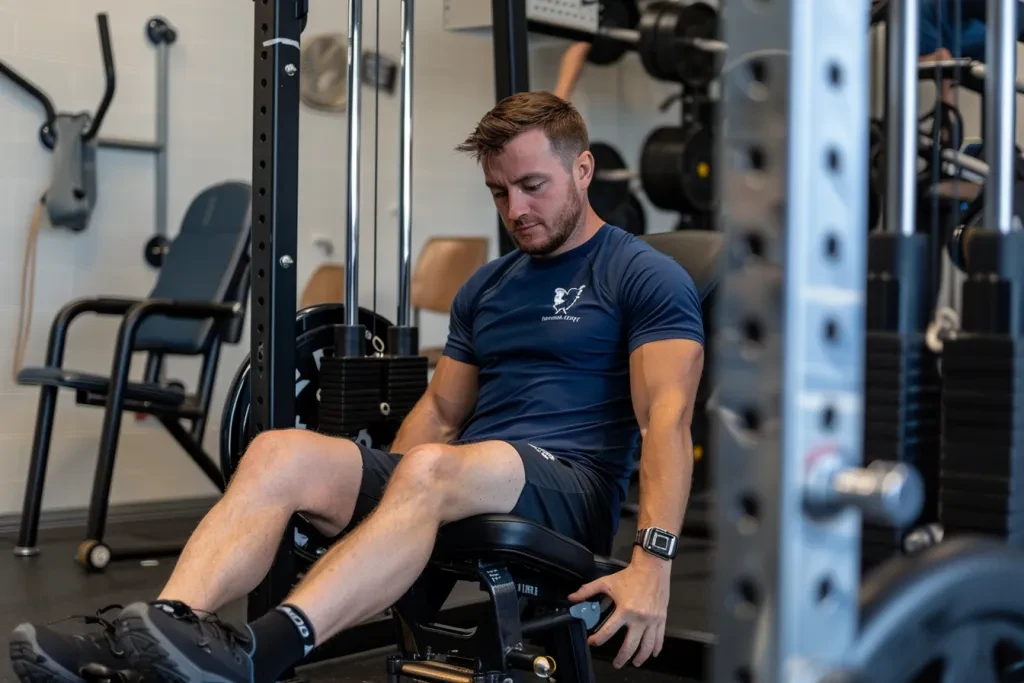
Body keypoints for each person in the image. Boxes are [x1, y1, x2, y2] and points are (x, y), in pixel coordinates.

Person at [9, 91, 705, 683]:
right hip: (464, 474)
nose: (515, 207)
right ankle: (162, 642)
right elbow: (438, 411)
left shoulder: (640, 274)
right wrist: (382, 494)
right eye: (499, 191)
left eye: (533, 187)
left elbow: (667, 420)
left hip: (567, 488)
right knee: (282, 450)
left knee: (433, 469)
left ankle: (259, 655)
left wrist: (654, 563)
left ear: (583, 169)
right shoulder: (488, 286)